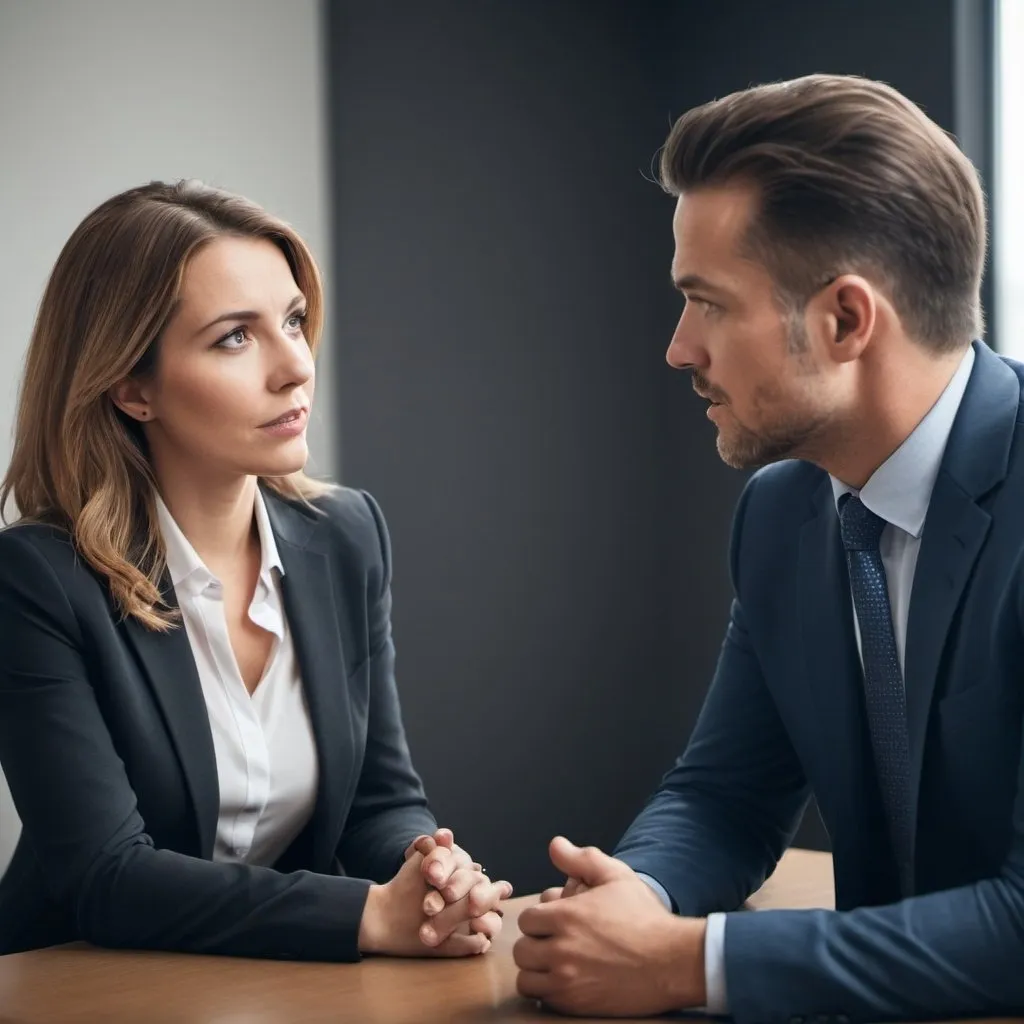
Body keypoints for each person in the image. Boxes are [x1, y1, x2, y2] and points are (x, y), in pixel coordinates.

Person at [514, 73, 1024, 1020]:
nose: (678, 348)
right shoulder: (786, 512)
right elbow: (725, 795)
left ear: (844, 319)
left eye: (707, 303)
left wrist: (686, 962)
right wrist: (640, 897)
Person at [0, 180, 510, 961]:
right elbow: (106, 876)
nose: (294, 367)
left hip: (275, 989)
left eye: (294, 321)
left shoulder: (345, 535)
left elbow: (381, 801)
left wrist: (430, 872)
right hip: (76, 991)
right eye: (235, 337)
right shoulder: (37, 582)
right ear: (132, 388)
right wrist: (368, 915)